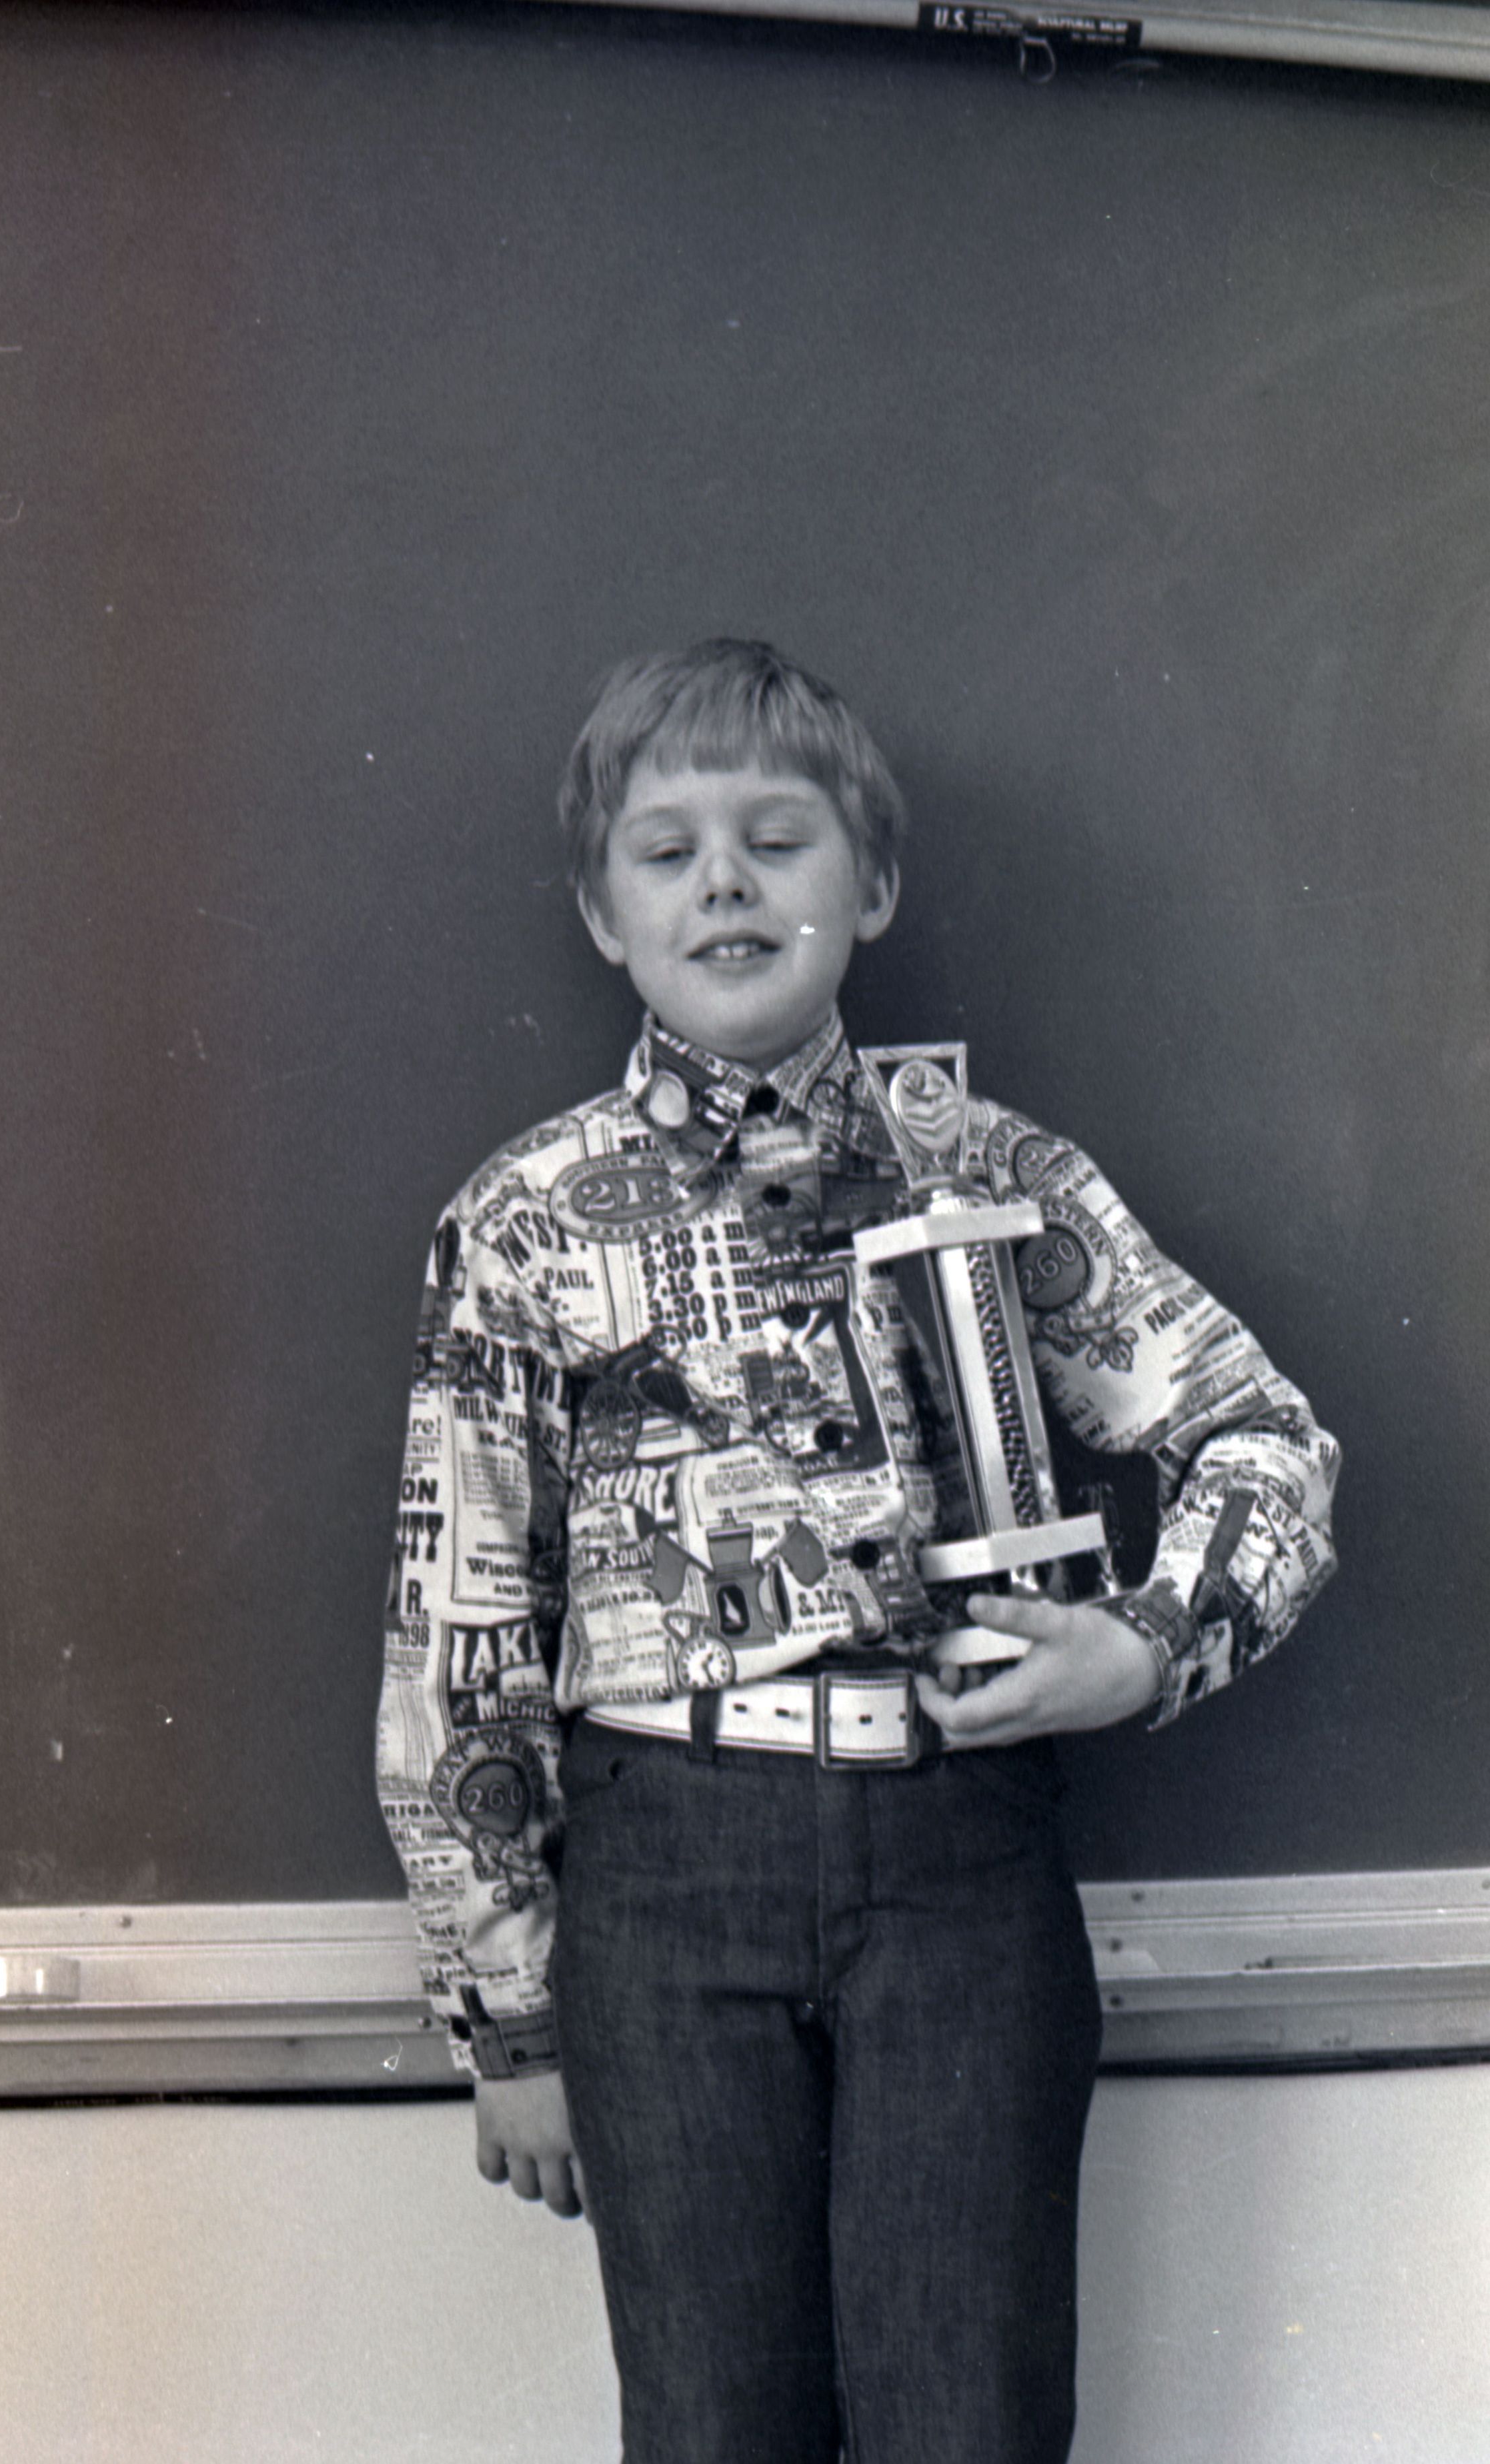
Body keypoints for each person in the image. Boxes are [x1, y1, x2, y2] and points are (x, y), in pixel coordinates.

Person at [376, 640, 1339, 2464]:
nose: (724, 885)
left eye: (778, 838)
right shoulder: (523, 1222)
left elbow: (1266, 1440)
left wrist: (1144, 1643)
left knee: (969, 2421)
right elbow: (462, 1628)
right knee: (714, 2430)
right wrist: (504, 2016)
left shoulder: (1000, 1176)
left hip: (957, 1868)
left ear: (872, 884)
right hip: (662, 1885)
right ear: (602, 916)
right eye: (667, 851)